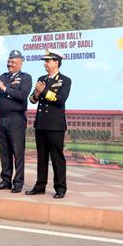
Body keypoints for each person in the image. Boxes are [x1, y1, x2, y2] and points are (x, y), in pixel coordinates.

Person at [26, 49, 71, 199]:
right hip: (41, 124)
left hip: (56, 126)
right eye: (45, 61)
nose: (45, 64)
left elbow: (60, 100)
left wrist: (44, 91)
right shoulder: (41, 78)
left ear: (56, 62)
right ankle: (40, 186)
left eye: (48, 61)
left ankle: (60, 188)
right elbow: (32, 100)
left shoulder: (65, 80)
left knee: (57, 158)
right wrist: (37, 94)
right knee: (42, 157)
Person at [0, 50, 32, 193]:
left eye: (13, 62)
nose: (9, 64)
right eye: (8, 61)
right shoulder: (3, 76)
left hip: (16, 118)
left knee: (17, 152)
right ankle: (6, 180)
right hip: (3, 118)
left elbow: (22, 95)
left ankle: (18, 183)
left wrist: (5, 88)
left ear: (20, 63)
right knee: (4, 151)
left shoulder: (26, 78)